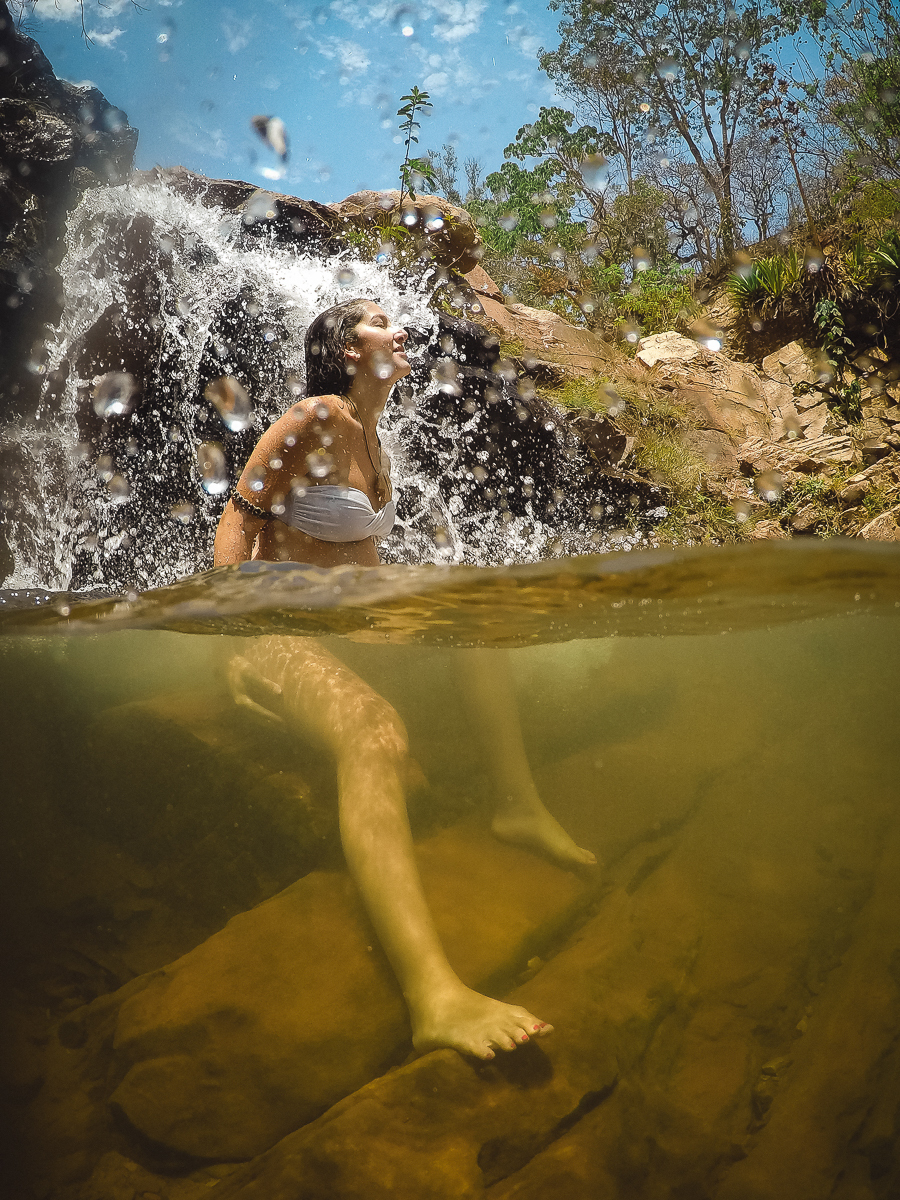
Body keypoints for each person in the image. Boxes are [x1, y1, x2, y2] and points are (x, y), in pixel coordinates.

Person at [214, 298, 595, 1061]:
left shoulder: (374, 438)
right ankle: (435, 995)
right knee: (376, 732)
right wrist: (232, 642)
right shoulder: (314, 416)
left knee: (477, 620)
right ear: (348, 350)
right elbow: (238, 515)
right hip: (282, 631)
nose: (400, 328)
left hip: (349, 628)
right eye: (379, 320)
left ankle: (517, 808)